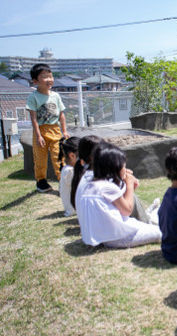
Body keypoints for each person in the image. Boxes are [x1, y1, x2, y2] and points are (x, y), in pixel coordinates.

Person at [76, 142, 161, 248]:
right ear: (114, 167)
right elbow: (126, 210)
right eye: (123, 166)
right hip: (118, 238)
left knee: (145, 226)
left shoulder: (90, 184)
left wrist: (125, 184)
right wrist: (129, 185)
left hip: (99, 237)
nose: (125, 169)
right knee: (160, 232)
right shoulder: (107, 187)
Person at [71, 135, 151, 224]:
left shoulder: (86, 176)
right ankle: (147, 224)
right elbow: (126, 209)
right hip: (105, 231)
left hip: (91, 227)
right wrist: (129, 184)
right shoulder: (101, 182)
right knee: (133, 198)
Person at [26, 63, 70, 192]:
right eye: (45, 77)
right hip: (41, 131)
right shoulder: (33, 97)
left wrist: (64, 131)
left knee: (59, 157)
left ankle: (63, 183)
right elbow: (33, 118)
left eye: (50, 76)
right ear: (35, 81)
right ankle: (41, 182)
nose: (49, 79)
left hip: (55, 130)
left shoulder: (55, 96)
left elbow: (61, 114)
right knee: (40, 159)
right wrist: (39, 136)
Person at [58, 136, 80, 216]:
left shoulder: (67, 169)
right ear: (72, 156)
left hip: (72, 208)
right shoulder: (70, 171)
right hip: (74, 209)